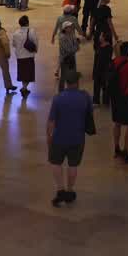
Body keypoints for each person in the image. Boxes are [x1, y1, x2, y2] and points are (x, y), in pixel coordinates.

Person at [47, 69, 94, 207]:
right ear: (78, 82)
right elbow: (89, 113)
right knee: (73, 165)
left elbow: (51, 122)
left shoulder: (58, 98)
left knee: (56, 163)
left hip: (59, 137)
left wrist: (48, 136)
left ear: (66, 83)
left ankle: (60, 189)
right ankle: (70, 190)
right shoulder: (85, 97)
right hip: (77, 137)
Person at [109, 41, 128, 164]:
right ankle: (125, 151)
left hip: (114, 97)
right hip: (125, 97)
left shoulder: (114, 61)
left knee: (117, 123)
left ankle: (116, 148)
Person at [10, 15, 38, 96]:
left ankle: (24, 87)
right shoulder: (31, 31)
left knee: (22, 73)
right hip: (29, 56)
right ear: (27, 23)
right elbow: (36, 42)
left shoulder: (16, 33)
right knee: (29, 74)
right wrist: (35, 51)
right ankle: (24, 88)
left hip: (20, 57)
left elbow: (14, 44)